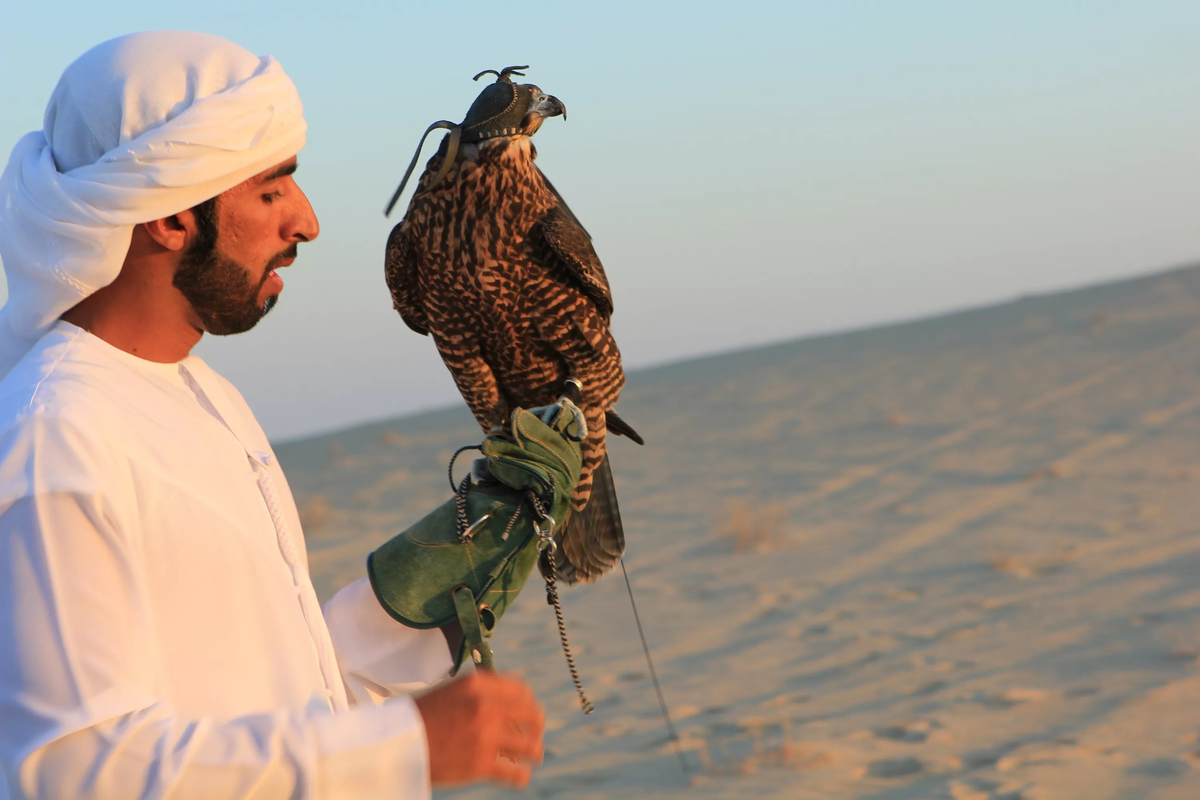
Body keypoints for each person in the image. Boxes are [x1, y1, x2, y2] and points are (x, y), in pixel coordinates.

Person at [0, 31, 550, 799]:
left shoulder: (203, 397)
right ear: (171, 217)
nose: (307, 221)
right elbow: (74, 766)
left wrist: (433, 586)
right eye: (271, 190)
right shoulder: (56, 436)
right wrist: (406, 748)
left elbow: (279, 698)